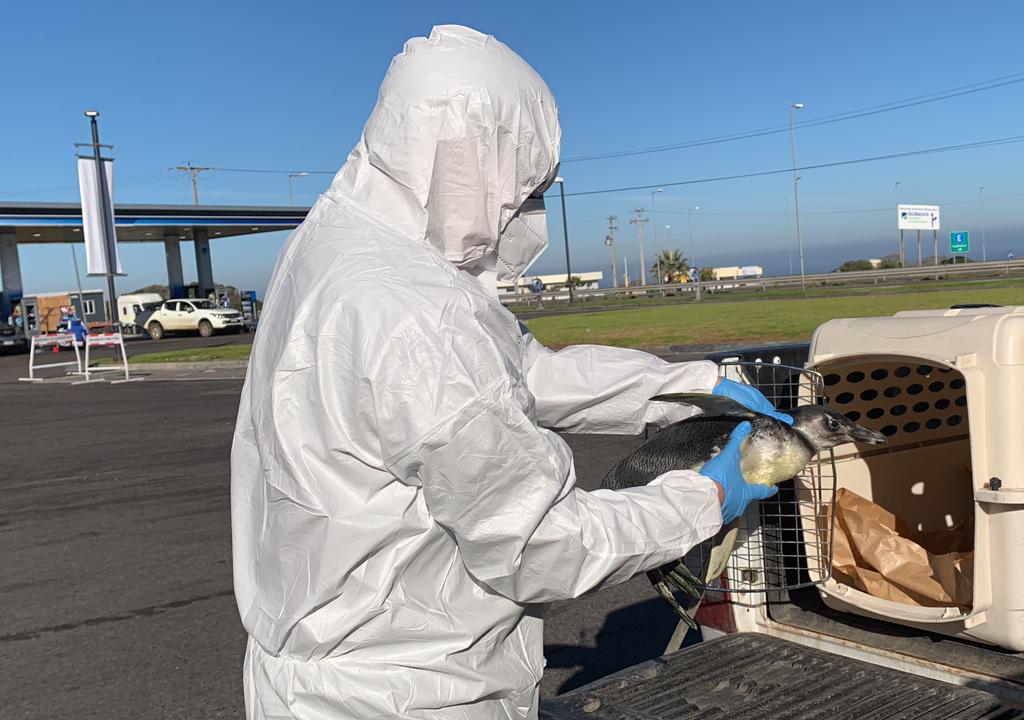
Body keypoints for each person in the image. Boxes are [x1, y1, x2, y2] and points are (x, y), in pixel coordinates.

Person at [230, 26, 789, 720]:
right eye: (525, 188)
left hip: (324, 674)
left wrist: (681, 391)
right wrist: (704, 498)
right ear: (469, 157)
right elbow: (541, 544)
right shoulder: (414, 309)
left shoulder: (340, 245)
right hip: (409, 692)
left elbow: (517, 373)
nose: (526, 216)